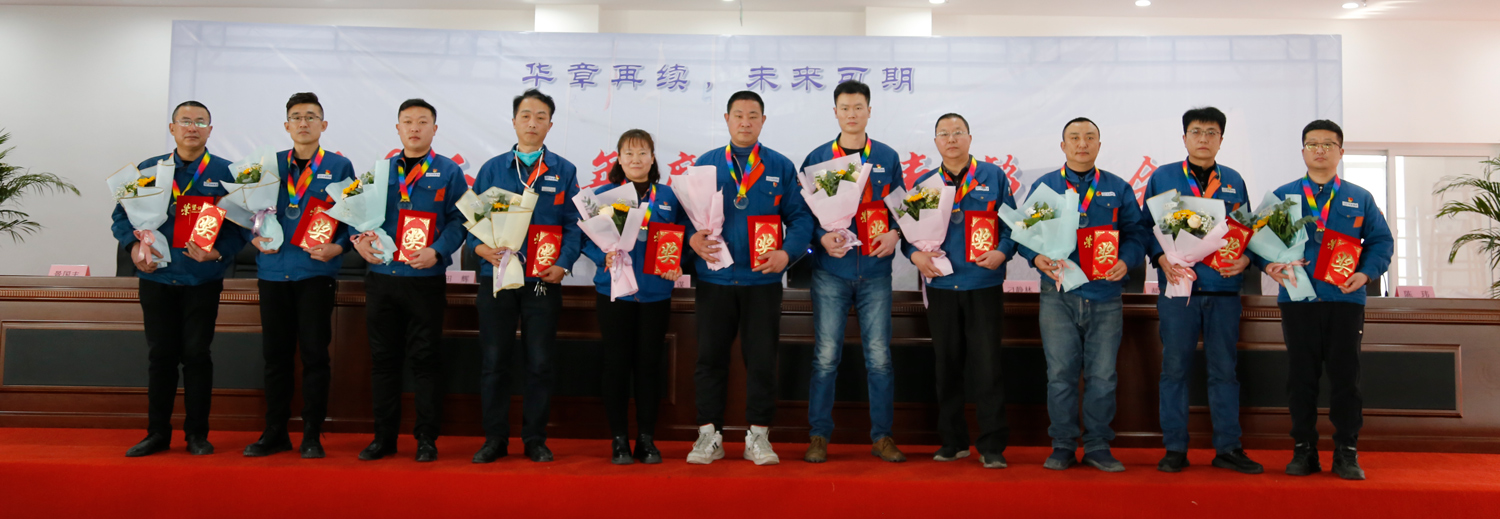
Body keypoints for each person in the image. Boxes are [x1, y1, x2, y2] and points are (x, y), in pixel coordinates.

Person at [1257, 120, 1392, 480]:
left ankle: (1347, 451)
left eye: (1328, 144)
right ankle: (1304, 449)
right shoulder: (1283, 196)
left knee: (1346, 379)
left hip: (1345, 300)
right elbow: (1254, 241)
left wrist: (1366, 273)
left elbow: (1381, 242)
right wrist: (1268, 266)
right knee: (1301, 378)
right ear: (1302, 151)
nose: (1320, 150)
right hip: (1297, 299)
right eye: (1312, 144)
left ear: (1340, 152)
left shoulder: (1359, 197)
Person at [684, 90, 813, 466]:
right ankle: (709, 435)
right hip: (716, 280)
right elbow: (683, 217)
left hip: (762, 282)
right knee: (709, 360)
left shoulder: (781, 166)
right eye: (738, 115)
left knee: (761, 361)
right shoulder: (706, 164)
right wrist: (691, 240)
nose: (745, 122)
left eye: (753, 115)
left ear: (763, 121)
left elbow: (801, 218)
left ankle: (758, 435)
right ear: (726, 119)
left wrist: (787, 253)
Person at [113, 100, 246, 457]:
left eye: (200, 122)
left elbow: (243, 227)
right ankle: (157, 433)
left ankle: (197, 434)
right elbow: (121, 217)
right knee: (161, 356)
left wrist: (218, 253)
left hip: (201, 279)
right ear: (172, 128)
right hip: (157, 277)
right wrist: (133, 248)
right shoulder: (148, 170)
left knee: (197, 355)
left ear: (210, 130)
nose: (192, 127)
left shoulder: (227, 173)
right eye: (185, 121)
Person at [1020, 117, 1149, 472]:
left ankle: (1097, 445)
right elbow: (1024, 232)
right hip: (1058, 293)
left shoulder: (1117, 188)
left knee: (1103, 376)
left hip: (1105, 295)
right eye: (1074, 137)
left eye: (1089, 137)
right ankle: (1062, 445)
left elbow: (1137, 234)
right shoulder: (1046, 186)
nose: (1082, 143)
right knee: (1060, 375)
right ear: (1063, 146)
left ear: (1099, 145)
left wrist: (1126, 260)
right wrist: (1034, 257)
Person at [1141, 107, 1263, 474]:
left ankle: (1228, 448)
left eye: (1212, 132)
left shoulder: (1234, 180)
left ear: (1221, 140)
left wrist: (1246, 259)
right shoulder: (1163, 177)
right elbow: (1144, 227)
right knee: (1174, 370)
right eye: (1196, 131)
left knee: (1224, 371)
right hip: (1179, 289)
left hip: (1223, 289)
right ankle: (1175, 448)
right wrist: (1159, 258)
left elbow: (1245, 229)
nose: (1204, 138)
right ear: (1184, 138)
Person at [350, 98, 467, 463]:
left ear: (435, 129)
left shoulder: (449, 172)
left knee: (426, 360)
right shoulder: (379, 171)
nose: (415, 128)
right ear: (398, 128)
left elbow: (461, 220)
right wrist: (358, 240)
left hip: (425, 278)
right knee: (383, 361)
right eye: (407, 121)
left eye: (422, 121)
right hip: (382, 278)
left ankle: (426, 439)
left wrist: (438, 250)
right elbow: (356, 213)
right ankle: (383, 438)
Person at [469, 89, 582, 464]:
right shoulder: (492, 169)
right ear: (514, 121)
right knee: (494, 360)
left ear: (550, 124)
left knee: (540, 362)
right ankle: (494, 439)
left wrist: (563, 264)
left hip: (542, 280)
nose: (532, 123)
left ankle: (535, 439)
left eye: (540, 117)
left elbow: (574, 225)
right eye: (526, 115)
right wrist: (480, 249)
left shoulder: (564, 171)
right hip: (496, 277)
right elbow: (472, 222)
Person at [242, 92, 356, 459]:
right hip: (274, 272)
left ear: (324, 124)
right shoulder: (268, 166)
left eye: (311, 116)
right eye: (296, 116)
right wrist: (252, 237)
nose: (303, 122)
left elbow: (354, 217)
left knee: (314, 356)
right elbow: (246, 213)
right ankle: (274, 431)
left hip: (315, 273)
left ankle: (311, 434)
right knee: (275, 357)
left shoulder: (339, 166)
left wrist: (339, 247)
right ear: (286, 125)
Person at [799, 80, 908, 464]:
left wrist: (895, 233)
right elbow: (802, 216)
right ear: (835, 112)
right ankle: (818, 436)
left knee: (879, 358)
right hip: (830, 271)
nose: (851, 114)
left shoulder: (887, 157)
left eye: (858, 107)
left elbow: (903, 209)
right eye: (845, 108)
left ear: (869, 111)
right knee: (825, 357)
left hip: (875, 272)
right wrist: (819, 238)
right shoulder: (817, 158)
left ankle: (882, 437)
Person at [902, 113, 1018, 469]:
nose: (951, 139)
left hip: (983, 284)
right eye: (944, 134)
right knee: (947, 366)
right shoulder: (924, 183)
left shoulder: (993, 176)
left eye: (957, 132)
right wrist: (915, 255)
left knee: (988, 367)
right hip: (941, 285)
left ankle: (992, 445)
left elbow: (1014, 226)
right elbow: (906, 235)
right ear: (936, 142)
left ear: (969, 138)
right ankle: (953, 442)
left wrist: (1002, 252)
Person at [581, 129, 684, 465]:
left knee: (649, 366)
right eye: (629, 153)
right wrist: (602, 256)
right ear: (619, 159)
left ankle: (646, 439)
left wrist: (679, 262)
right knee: (616, 365)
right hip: (614, 293)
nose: (636, 159)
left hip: (656, 293)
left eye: (643, 153)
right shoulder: (603, 196)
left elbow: (689, 237)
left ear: (653, 158)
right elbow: (583, 239)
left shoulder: (669, 196)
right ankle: (619, 439)